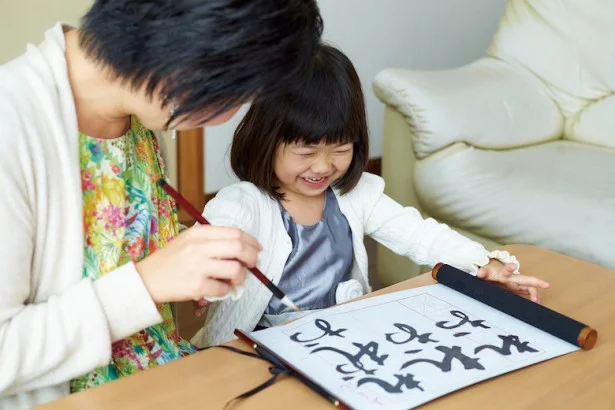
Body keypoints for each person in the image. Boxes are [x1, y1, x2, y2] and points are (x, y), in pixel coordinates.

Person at [0, 0, 323, 408]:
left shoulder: (135, 115)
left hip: (169, 374)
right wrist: (149, 283)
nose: (225, 118)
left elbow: (106, 245)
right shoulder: (11, 125)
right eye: (234, 94)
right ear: (184, 53)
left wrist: (189, 262)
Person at [191, 44, 549, 348]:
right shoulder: (242, 203)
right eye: (306, 152)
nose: (323, 166)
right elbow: (211, 242)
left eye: (340, 149)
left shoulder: (358, 194)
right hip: (257, 347)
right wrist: (209, 273)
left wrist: (482, 262)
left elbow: (418, 234)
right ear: (266, 140)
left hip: (342, 340)